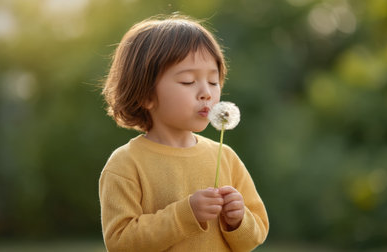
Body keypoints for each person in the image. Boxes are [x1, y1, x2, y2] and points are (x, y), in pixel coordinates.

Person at [99, 14, 269, 251]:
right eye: (188, 81)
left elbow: (254, 236)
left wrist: (238, 219)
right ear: (146, 95)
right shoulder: (126, 164)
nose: (206, 93)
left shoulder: (226, 157)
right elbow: (120, 243)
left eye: (213, 81)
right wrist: (185, 215)